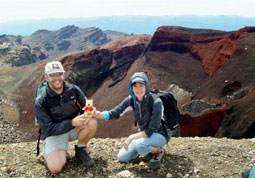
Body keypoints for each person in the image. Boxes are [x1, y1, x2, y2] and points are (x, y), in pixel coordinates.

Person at [92, 72, 170, 169]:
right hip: (142, 135)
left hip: (159, 134)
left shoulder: (156, 102)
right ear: (131, 88)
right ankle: (145, 149)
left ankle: (158, 150)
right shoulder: (131, 100)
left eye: (141, 86)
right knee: (122, 157)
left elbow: (151, 130)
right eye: (135, 86)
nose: (138, 89)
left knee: (139, 143)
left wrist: (131, 137)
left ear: (146, 86)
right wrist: (97, 114)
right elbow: (115, 113)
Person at [33, 61, 97, 174]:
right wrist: (71, 123)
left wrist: (90, 110)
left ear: (63, 75)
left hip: (73, 128)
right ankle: (48, 149)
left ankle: (81, 150)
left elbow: (86, 105)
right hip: (54, 134)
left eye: (59, 74)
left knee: (91, 121)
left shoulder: (73, 90)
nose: (57, 78)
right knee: (55, 168)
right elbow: (48, 129)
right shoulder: (41, 101)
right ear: (46, 77)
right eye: (52, 75)